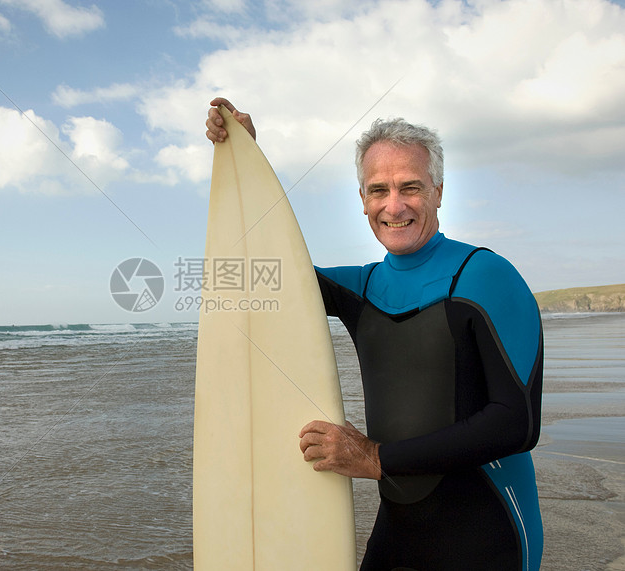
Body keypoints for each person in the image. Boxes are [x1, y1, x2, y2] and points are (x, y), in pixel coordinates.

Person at [206, 98, 544, 570]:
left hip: (487, 532)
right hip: (399, 535)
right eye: (378, 190)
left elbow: (517, 423)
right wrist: (246, 163)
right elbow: (248, 273)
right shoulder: (361, 287)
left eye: (411, 187)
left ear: (439, 191)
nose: (394, 205)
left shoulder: (486, 276)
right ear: (363, 200)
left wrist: (374, 458)